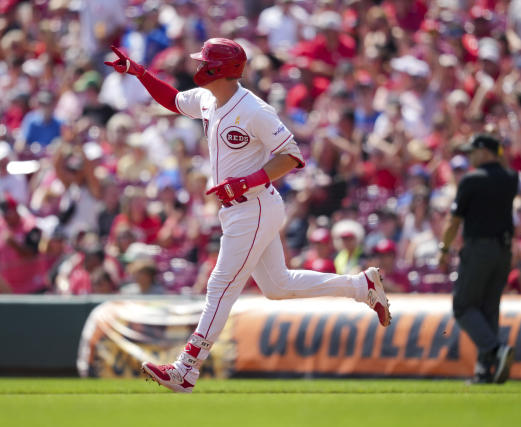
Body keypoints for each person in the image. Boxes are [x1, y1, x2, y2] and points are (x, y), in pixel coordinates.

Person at [104, 38, 391, 393]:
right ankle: (361, 286)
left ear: (218, 69)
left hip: (253, 205)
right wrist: (138, 72)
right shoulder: (209, 97)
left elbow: (292, 155)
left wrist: (245, 182)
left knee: (219, 285)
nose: (198, 65)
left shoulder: (253, 109)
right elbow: (173, 100)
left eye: (204, 61)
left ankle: (186, 369)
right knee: (278, 286)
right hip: (243, 207)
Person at [439, 133, 518, 384]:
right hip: (503, 251)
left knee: (463, 306)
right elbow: (505, 166)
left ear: (485, 152)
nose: (470, 156)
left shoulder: (472, 180)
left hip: (479, 249)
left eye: (473, 151)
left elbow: (454, 220)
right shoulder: (511, 178)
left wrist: (444, 249)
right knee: (488, 309)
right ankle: (484, 371)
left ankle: (496, 350)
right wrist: (500, 151)